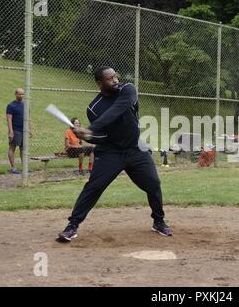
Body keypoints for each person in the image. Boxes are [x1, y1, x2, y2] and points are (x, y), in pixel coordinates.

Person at [57, 66, 173, 242]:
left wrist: (90, 129)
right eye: (110, 79)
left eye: (115, 77)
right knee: (93, 187)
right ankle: (72, 226)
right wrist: (89, 135)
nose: (115, 80)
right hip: (111, 152)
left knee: (153, 184)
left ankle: (158, 221)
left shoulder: (128, 90)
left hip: (135, 148)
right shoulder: (94, 108)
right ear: (99, 83)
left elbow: (117, 110)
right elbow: (103, 136)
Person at [6, 88, 32, 174]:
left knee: (23, 149)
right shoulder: (11, 106)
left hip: (24, 131)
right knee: (12, 148)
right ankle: (13, 168)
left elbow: (28, 118)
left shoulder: (26, 105)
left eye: (22, 94)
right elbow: (9, 119)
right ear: (15, 94)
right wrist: (11, 131)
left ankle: (24, 168)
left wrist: (30, 129)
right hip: (15, 130)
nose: (21, 96)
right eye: (19, 94)